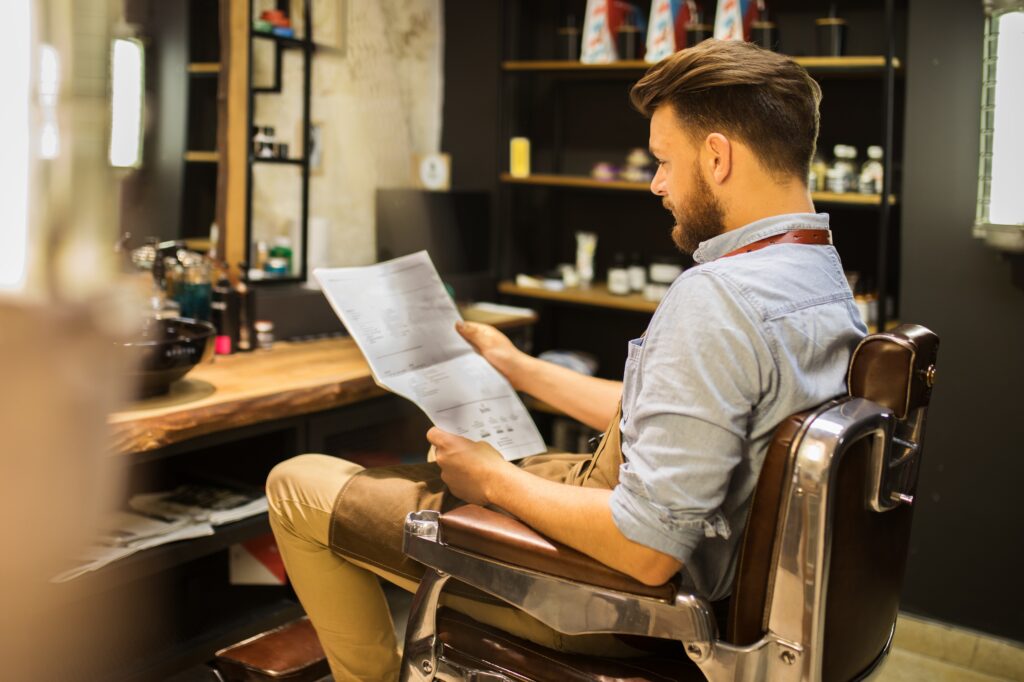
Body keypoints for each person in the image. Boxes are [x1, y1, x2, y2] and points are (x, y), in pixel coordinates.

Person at [266, 39, 866, 681]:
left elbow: (645, 548)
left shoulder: (719, 297)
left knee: (297, 483)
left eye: (664, 161)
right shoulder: (821, 281)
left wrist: (493, 481)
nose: (657, 184)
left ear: (717, 156)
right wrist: (517, 367)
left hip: (606, 603)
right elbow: (695, 422)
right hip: (648, 555)